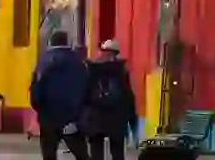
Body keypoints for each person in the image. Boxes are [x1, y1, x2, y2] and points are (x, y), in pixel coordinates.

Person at [30, 30, 90, 160]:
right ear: (66, 42)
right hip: (72, 117)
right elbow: (85, 87)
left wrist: (39, 108)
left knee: (49, 154)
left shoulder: (43, 61)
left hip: (48, 116)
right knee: (81, 155)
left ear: (51, 42)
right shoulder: (77, 61)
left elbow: (36, 88)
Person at [82, 40, 138, 160]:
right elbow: (128, 95)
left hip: (95, 117)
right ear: (116, 53)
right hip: (117, 118)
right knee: (117, 153)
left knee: (96, 152)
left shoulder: (91, 68)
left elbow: (84, 93)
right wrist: (132, 121)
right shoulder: (121, 70)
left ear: (102, 51)